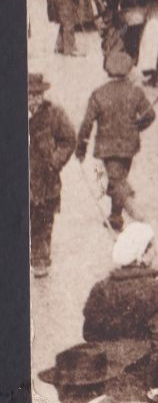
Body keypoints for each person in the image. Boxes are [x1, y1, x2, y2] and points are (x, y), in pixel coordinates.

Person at [81, 223, 158, 403]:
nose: (156, 252)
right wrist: (152, 382)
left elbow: (89, 335)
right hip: (147, 374)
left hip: (109, 374)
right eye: (152, 248)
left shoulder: (100, 289)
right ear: (141, 254)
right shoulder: (156, 289)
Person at [76, 49, 155, 231]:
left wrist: (81, 149)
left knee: (117, 180)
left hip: (107, 146)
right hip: (129, 145)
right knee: (119, 176)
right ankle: (115, 216)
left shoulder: (98, 94)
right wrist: (136, 126)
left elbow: (86, 124)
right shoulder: (136, 92)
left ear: (107, 70)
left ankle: (134, 211)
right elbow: (150, 114)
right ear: (128, 70)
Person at [29, 73, 77, 277]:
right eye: (29, 95)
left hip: (46, 179)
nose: (33, 99)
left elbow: (69, 139)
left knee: (43, 218)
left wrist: (55, 161)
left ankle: (40, 258)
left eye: (37, 95)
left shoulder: (54, 114)